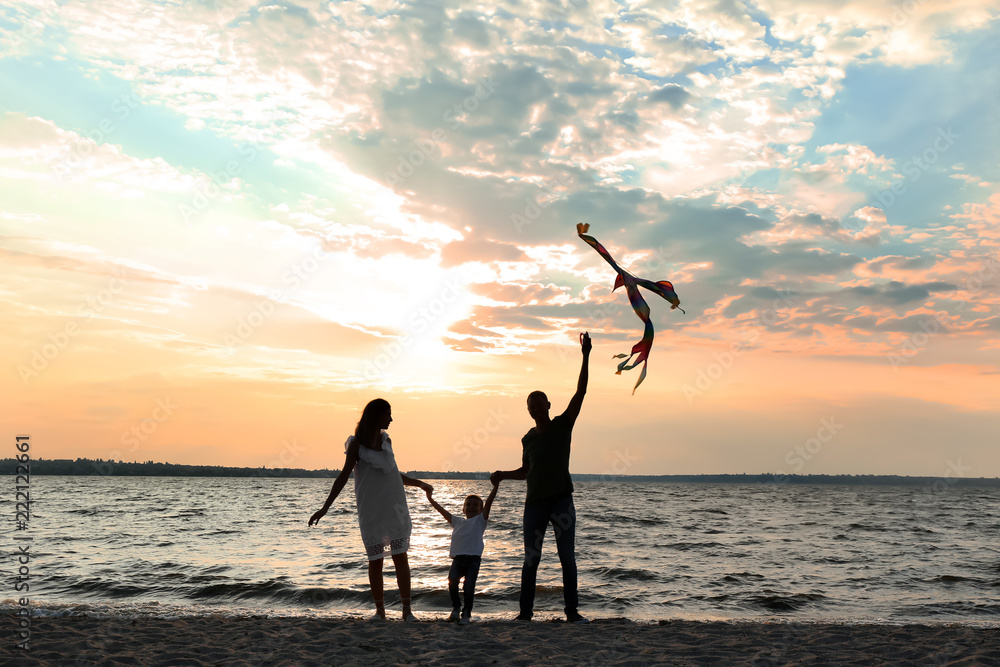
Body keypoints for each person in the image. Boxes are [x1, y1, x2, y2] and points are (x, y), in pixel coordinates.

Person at [491, 331, 592, 623]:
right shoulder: (527, 439)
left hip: (561, 501)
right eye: (531, 405)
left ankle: (572, 612)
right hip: (534, 505)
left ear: (548, 405)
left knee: (567, 558)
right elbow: (526, 472)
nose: (536, 407)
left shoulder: (562, 425)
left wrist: (585, 356)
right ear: (528, 410)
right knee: (531, 559)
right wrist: (502, 475)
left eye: (540, 403)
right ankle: (525, 613)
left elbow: (581, 393)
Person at [309, 398, 432, 621]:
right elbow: (344, 476)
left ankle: (407, 611)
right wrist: (325, 507)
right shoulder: (356, 445)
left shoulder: (387, 441)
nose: (391, 419)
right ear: (376, 416)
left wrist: (419, 483)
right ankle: (380, 612)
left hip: (395, 506)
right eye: (388, 414)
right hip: (371, 508)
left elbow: (394, 474)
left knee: (400, 556)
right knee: (376, 560)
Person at [425, 481, 499, 625]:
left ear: (481, 510)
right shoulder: (457, 522)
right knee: (452, 582)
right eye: (468, 505)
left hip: (473, 560)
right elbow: (441, 511)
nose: (471, 507)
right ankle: (456, 608)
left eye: (475, 505)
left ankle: (467, 613)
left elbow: (489, 502)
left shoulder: (480, 521)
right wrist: (430, 498)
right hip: (458, 560)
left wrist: (495, 486)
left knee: (469, 586)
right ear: (463, 509)